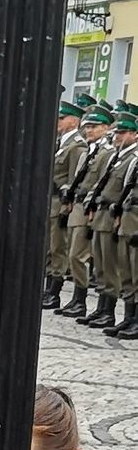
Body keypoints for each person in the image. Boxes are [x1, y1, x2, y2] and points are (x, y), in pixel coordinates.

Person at [58, 108, 115, 318]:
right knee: (73, 255)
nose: (89, 130)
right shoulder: (88, 152)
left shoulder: (106, 154)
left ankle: (85, 301)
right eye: (87, 126)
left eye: (94, 127)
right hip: (78, 206)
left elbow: (102, 183)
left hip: (90, 209)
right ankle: (78, 298)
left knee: (79, 255)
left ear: (105, 128)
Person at [85, 116, 138, 332]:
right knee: (123, 271)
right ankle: (126, 317)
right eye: (117, 133)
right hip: (123, 219)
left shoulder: (131, 158)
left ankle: (133, 320)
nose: (117, 137)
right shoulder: (122, 159)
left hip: (132, 221)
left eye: (122, 133)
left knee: (134, 272)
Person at [44, 101, 89, 310]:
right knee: (49, 249)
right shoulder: (60, 143)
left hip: (59, 204)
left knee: (58, 249)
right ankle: (47, 288)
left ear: (73, 121)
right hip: (49, 203)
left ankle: (54, 292)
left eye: (62, 119)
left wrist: (65, 208)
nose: (58, 122)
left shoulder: (76, 146)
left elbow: (72, 181)